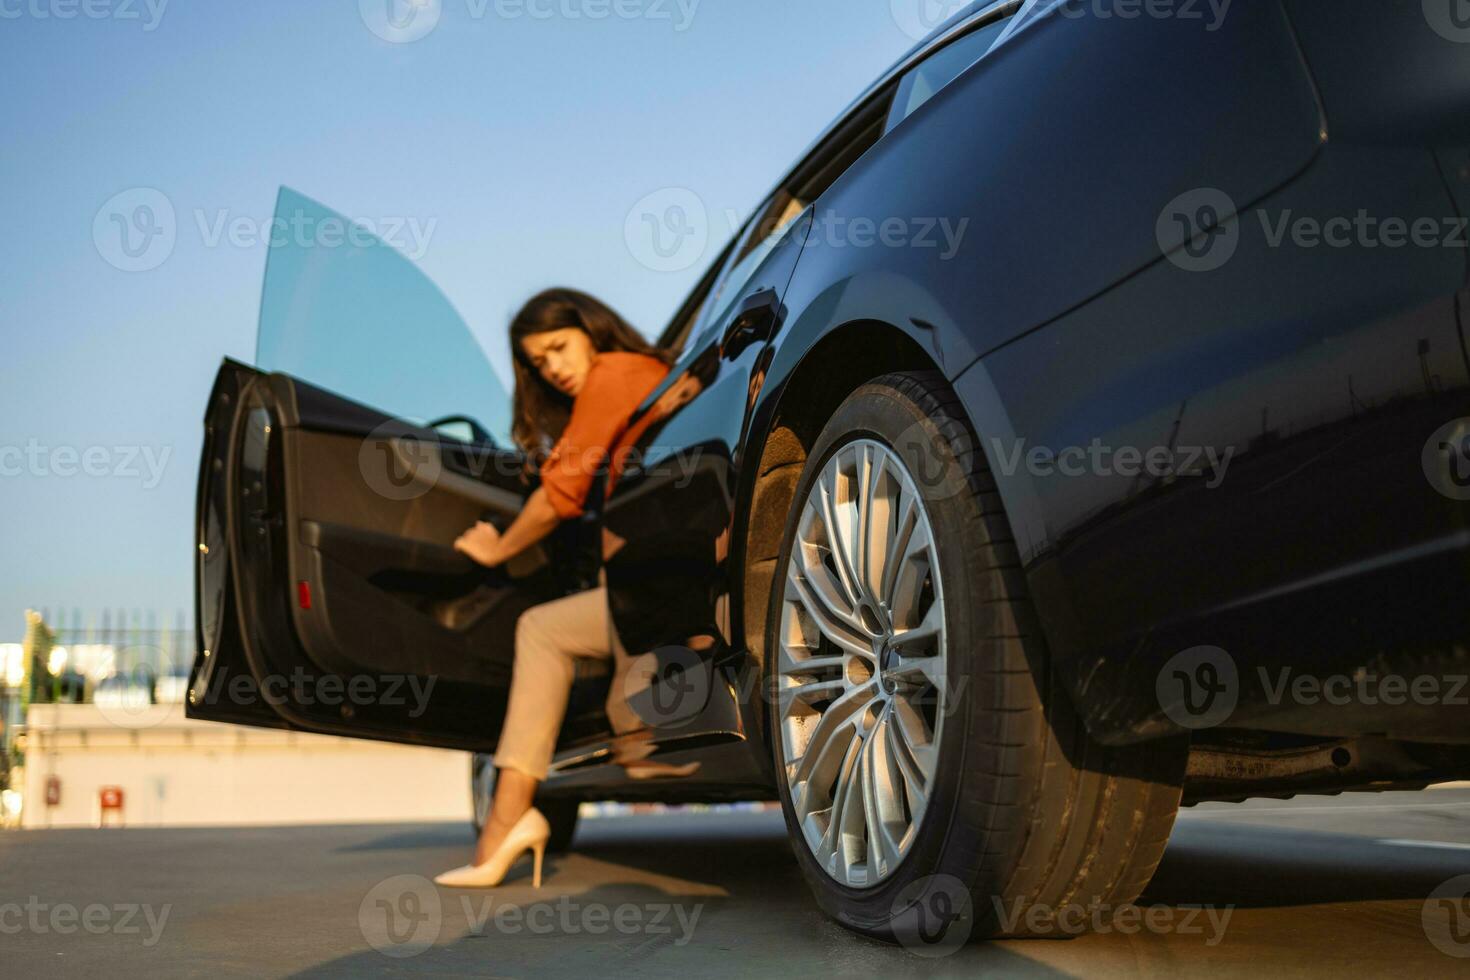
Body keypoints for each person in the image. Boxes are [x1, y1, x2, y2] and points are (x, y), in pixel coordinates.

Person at [434, 288, 675, 889]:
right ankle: (508, 825)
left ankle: (505, 827)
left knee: (539, 629)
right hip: (664, 573)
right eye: (540, 364)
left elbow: (561, 493)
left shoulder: (619, 373)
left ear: (592, 329)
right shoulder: (643, 375)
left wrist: (498, 547)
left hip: (672, 582)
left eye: (560, 348)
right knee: (546, 626)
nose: (556, 369)